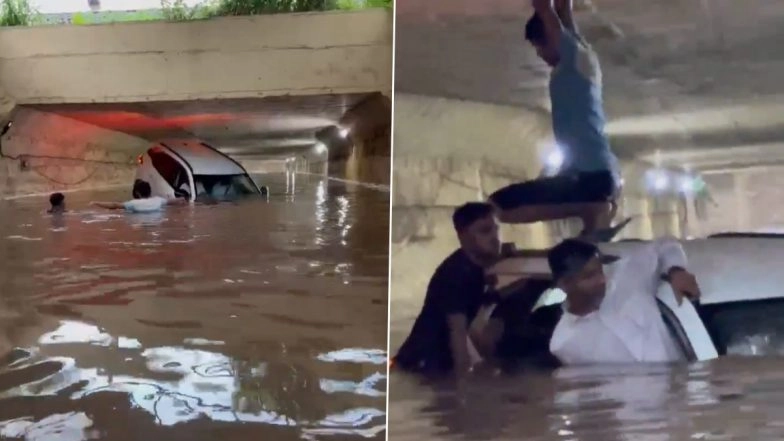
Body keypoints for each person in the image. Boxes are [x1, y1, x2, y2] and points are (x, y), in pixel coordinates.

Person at [487, 0, 626, 242]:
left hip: (589, 178)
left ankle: (591, 210)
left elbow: (547, 9)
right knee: (589, 234)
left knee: (497, 207)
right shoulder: (582, 55)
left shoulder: (573, 57)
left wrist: (547, 10)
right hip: (599, 175)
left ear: (552, 37)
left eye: (539, 47)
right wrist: (561, 10)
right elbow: (564, 12)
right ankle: (594, 220)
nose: (540, 55)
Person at [546, 237, 701, 365]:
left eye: (600, 271)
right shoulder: (563, 343)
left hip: (680, 394)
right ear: (564, 284)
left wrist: (677, 271)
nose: (601, 280)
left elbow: (666, 245)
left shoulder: (628, 277)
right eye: (589, 276)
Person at [392, 202, 502, 380]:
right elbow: (457, 334)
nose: (495, 237)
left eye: (496, 229)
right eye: (484, 231)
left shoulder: (478, 267)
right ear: (463, 237)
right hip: (422, 365)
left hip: (432, 363)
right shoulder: (455, 274)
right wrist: (464, 387)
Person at [90, 179, 186, 213]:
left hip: (138, 221)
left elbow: (114, 205)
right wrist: (183, 199)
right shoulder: (158, 200)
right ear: (150, 192)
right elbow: (174, 201)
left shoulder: (133, 204)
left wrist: (96, 202)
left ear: (138, 193)